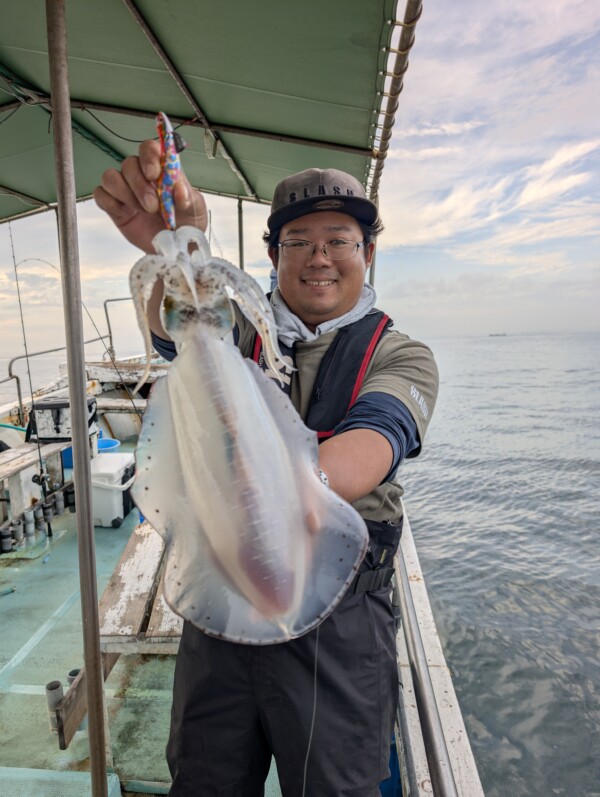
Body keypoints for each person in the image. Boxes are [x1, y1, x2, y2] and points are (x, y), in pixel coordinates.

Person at [95, 145, 438, 797]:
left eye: (338, 239)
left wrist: (271, 489)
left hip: (337, 621)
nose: (318, 257)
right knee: (204, 781)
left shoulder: (401, 355)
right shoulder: (236, 338)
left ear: (367, 252)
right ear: (274, 257)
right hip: (219, 603)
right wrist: (179, 245)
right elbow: (181, 326)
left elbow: (364, 452)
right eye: (297, 241)